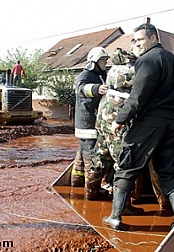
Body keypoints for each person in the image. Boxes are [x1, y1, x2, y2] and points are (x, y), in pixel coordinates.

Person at [103, 23, 174, 230]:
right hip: (172, 124)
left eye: (140, 40)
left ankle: (115, 217)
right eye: (134, 41)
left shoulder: (147, 60)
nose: (136, 44)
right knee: (168, 173)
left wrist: (120, 119)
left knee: (126, 167)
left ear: (154, 38)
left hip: (149, 123)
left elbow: (138, 96)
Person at [71, 46, 109, 200]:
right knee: (91, 160)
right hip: (88, 126)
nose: (105, 63)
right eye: (103, 60)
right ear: (94, 61)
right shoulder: (85, 76)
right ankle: (91, 193)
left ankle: (76, 182)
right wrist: (96, 89)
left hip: (90, 125)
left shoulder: (100, 75)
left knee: (80, 157)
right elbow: (80, 88)